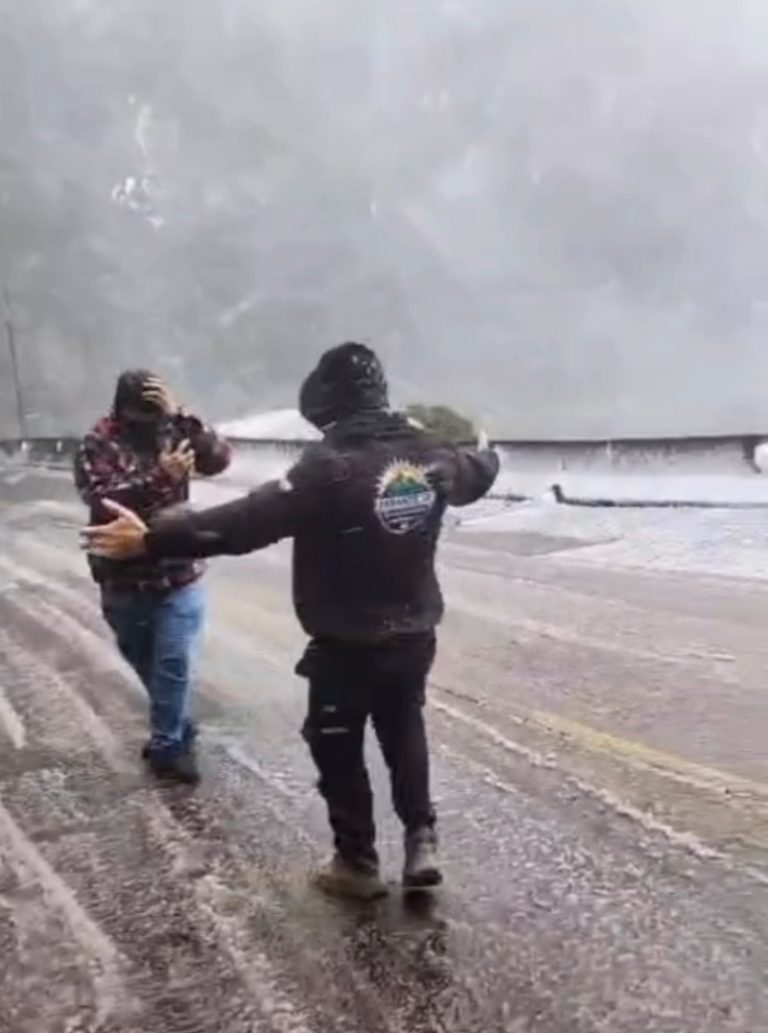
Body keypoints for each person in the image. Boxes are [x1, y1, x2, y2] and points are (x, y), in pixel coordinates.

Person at [82, 344, 499, 895]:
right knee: (404, 726)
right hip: (413, 632)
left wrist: (151, 539)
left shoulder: (327, 469)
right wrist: (485, 449)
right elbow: (480, 470)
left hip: (346, 639)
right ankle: (421, 837)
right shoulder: (430, 453)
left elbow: (244, 522)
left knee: (336, 743)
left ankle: (356, 864)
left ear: (328, 401)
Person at [74, 370, 231, 783]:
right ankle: (177, 724)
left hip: (178, 571)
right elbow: (103, 501)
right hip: (123, 578)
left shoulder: (175, 429)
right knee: (145, 661)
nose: (148, 427)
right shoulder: (98, 442)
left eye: (154, 417)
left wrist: (182, 417)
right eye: (139, 419)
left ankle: (167, 747)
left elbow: (219, 460)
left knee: (174, 662)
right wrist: (162, 477)